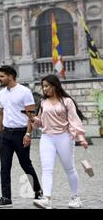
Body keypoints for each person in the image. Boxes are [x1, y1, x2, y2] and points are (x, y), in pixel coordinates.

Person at [31, 75, 88, 209]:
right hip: (46, 138)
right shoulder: (43, 103)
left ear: (55, 86)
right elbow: (40, 122)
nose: (44, 89)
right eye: (43, 86)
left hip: (64, 137)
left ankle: (75, 197)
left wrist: (81, 138)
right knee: (46, 169)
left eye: (46, 86)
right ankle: (46, 198)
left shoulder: (67, 101)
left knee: (69, 168)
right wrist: (33, 119)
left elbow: (74, 121)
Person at [0, 65, 43, 208]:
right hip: (6, 134)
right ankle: (6, 198)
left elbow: (31, 116)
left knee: (25, 164)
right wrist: (0, 134)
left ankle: (38, 191)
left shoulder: (25, 92)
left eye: (2, 76)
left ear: (11, 76)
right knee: (4, 167)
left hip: (21, 133)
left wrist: (28, 134)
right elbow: (0, 114)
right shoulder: (2, 93)